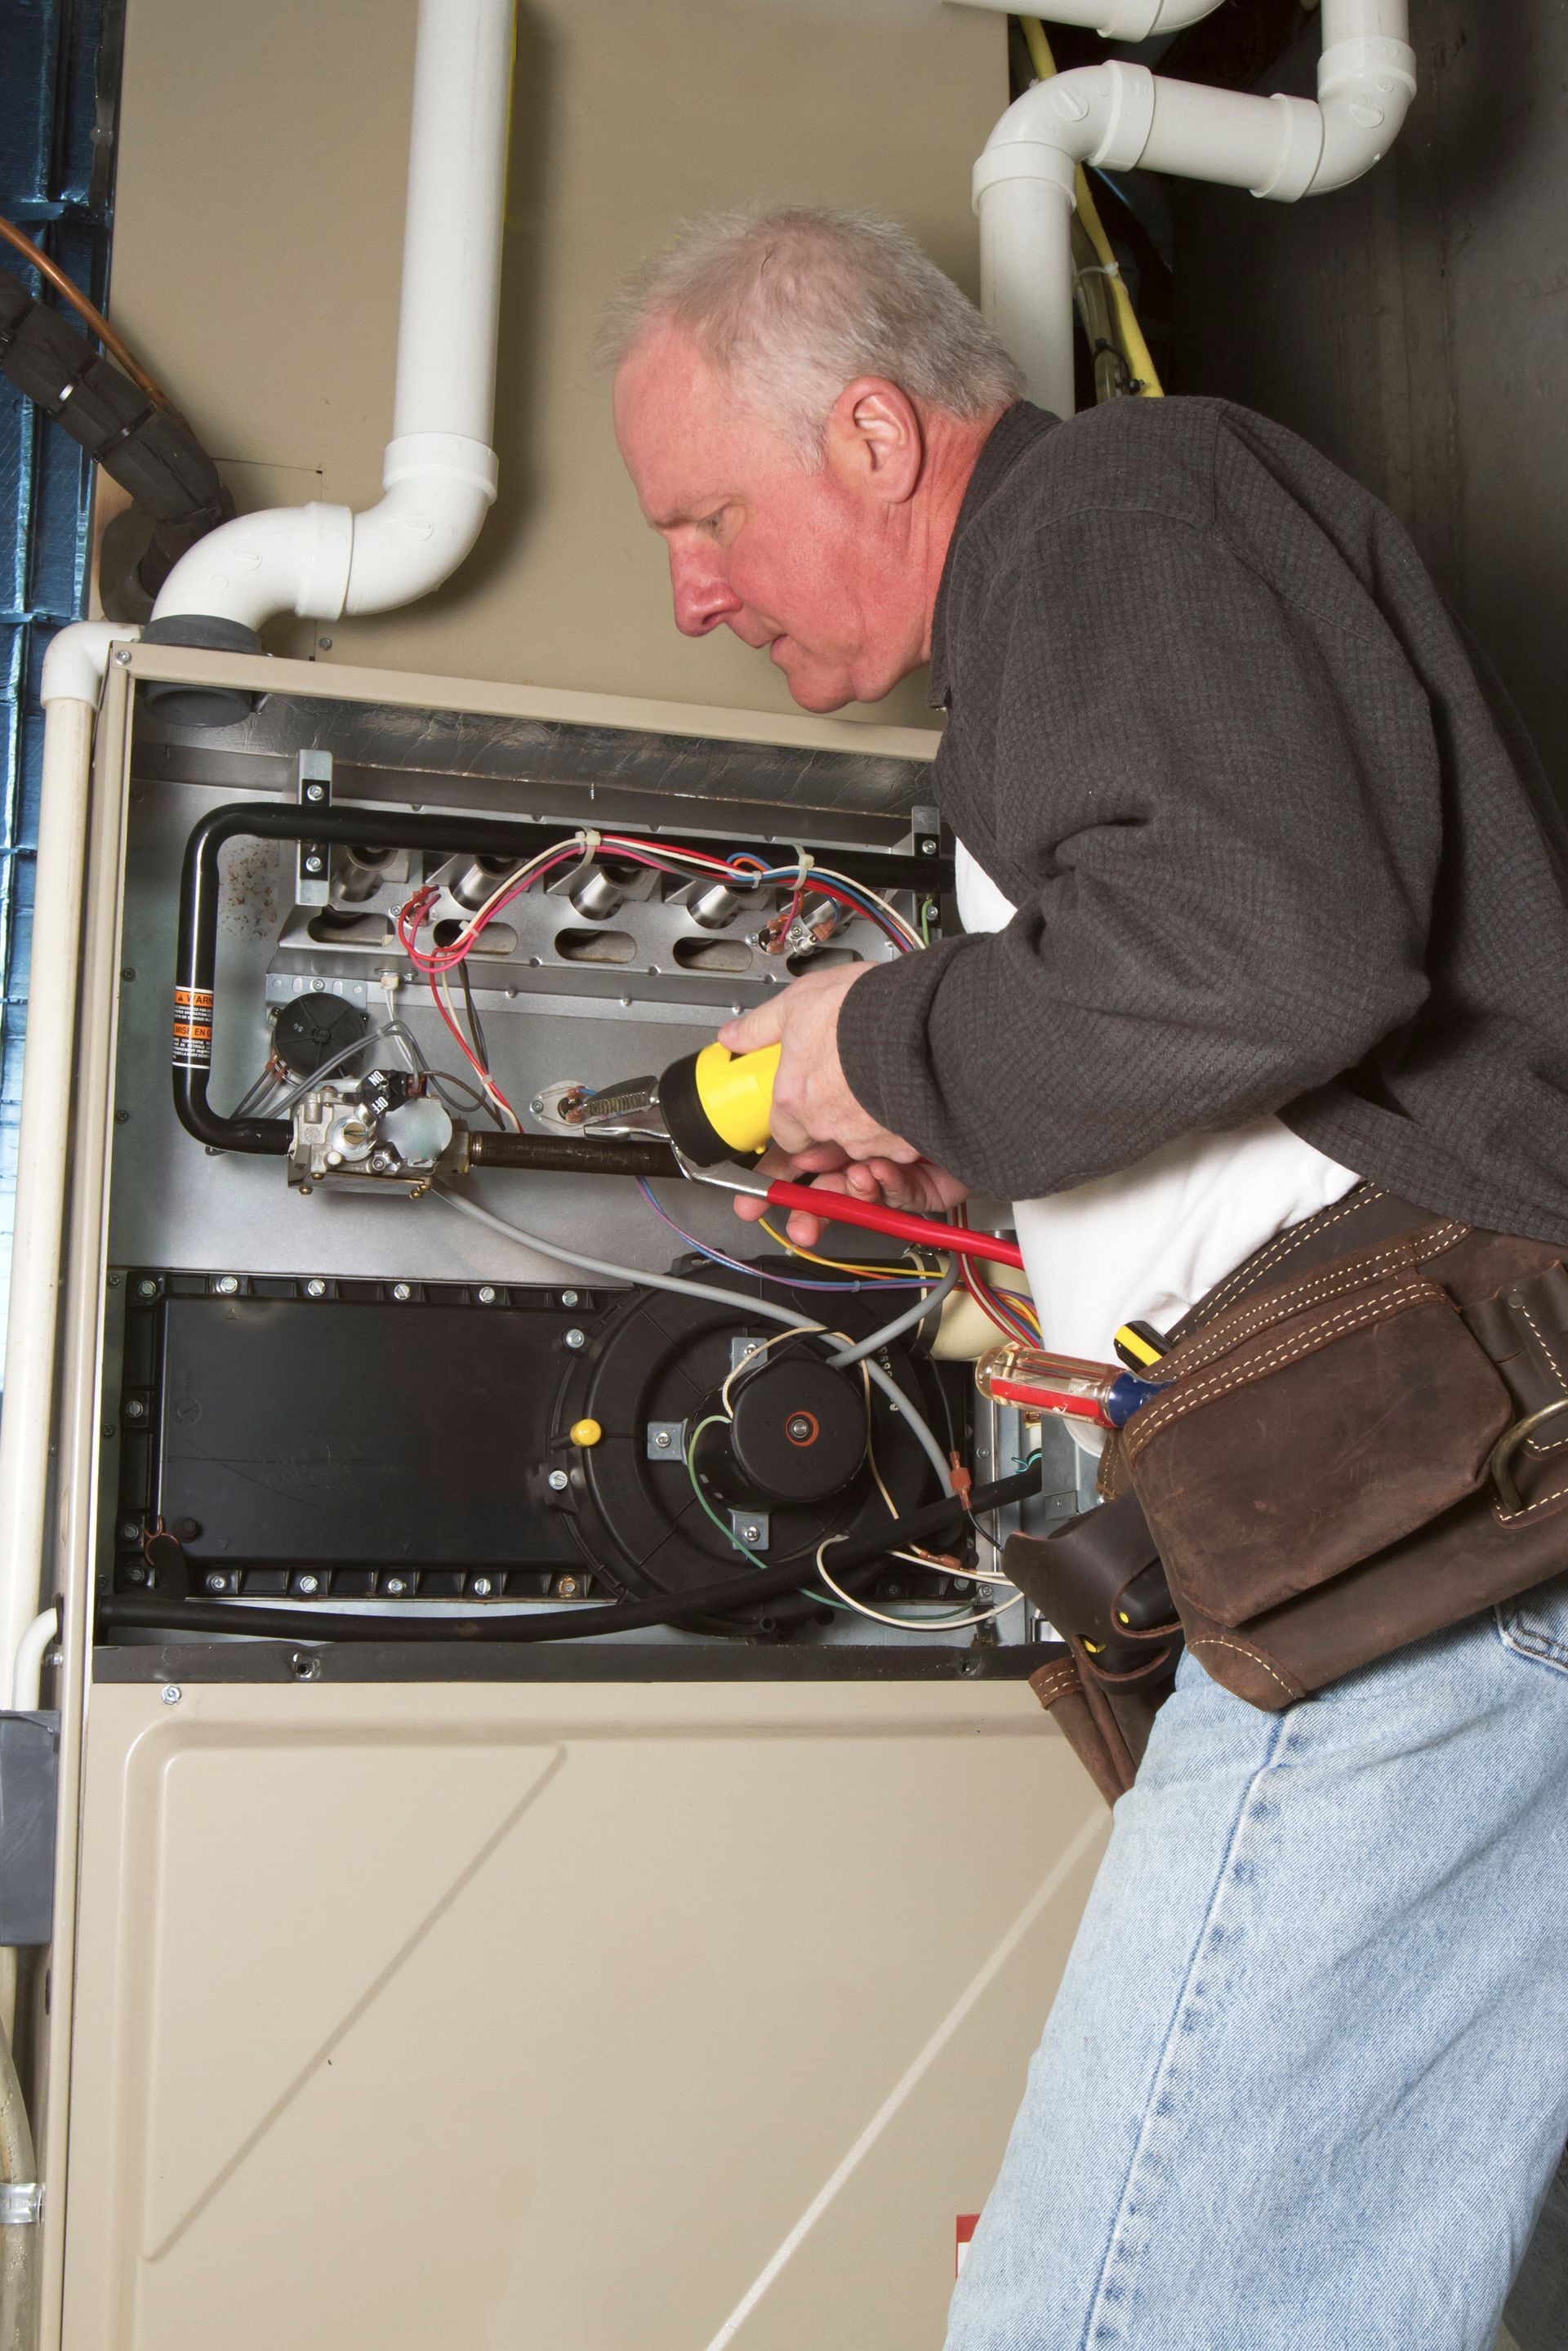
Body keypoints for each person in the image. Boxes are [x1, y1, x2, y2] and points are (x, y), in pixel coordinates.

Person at [607, 207, 1568, 2351]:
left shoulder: (1117, 505)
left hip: (1425, 1536)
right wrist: (971, 1126)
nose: (688, 589)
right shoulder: (1080, 602)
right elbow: (1256, 989)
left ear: (869, 434)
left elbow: (1278, 955)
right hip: (1465, 1503)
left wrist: (870, 1034)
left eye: (705, 517)